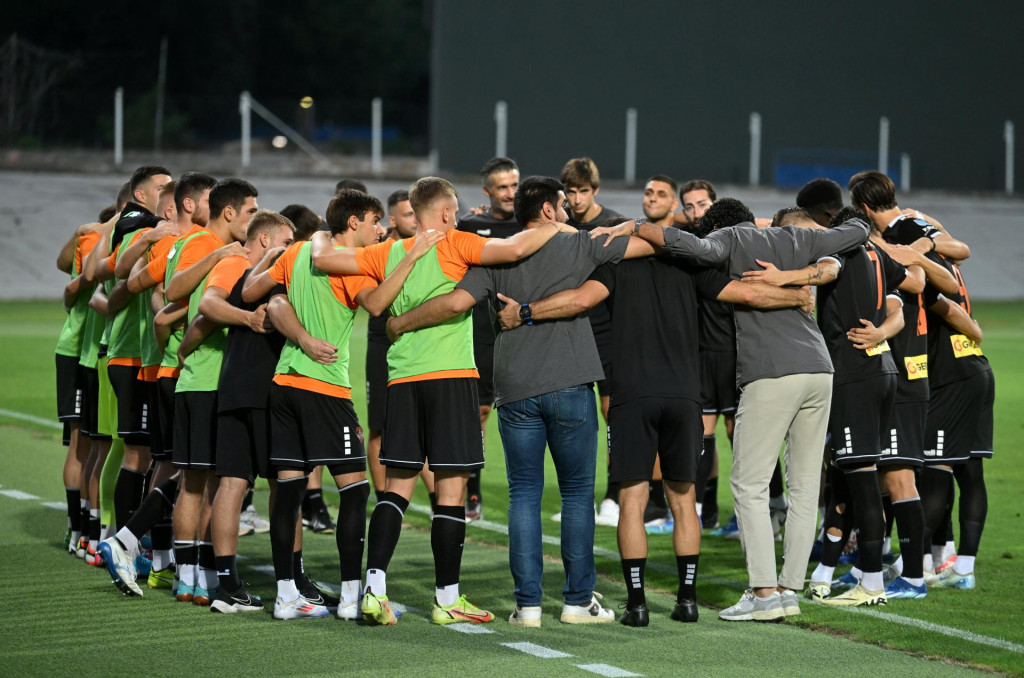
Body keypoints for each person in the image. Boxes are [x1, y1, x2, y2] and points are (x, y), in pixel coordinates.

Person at [489, 200, 815, 626]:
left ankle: (637, 605)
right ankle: (687, 601)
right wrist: (798, 296)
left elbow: (578, 300)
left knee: (632, 500)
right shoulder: (690, 264)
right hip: (684, 393)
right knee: (684, 500)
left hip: (631, 394)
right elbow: (749, 292)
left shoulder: (615, 263)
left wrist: (526, 312)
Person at [386, 176, 654, 626]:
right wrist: (627, 227)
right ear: (548, 210)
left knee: (524, 496)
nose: (567, 211)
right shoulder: (583, 245)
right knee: (575, 494)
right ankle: (577, 602)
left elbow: (454, 303)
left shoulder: (495, 254)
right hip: (570, 382)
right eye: (562, 205)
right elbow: (653, 245)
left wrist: (400, 324)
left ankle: (527, 605)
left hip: (513, 388)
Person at [592, 197, 870, 622]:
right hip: (814, 369)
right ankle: (783, 590)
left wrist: (632, 227)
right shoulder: (793, 237)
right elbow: (851, 238)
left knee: (742, 486)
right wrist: (798, 288)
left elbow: (721, 270)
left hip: (759, 373)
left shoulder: (720, 242)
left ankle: (757, 594)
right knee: (802, 485)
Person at [309, 176, 568, 626]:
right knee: (450, 493)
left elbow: (325, 256)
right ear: (447, 213)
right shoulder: (456, 242)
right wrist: (561, 226)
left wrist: (315, 232)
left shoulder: (387, 251)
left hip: (403, 380)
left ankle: (374, 590)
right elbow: (516, 249)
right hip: (451, 378)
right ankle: (447, 599)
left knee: (396, 489)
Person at [456, 157, 523, 521]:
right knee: (480, 413)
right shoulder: (470, 225)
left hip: (526, 331)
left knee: (524, 411)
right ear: (487, 192)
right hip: (481, 333)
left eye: (514, 185)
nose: (510, 193)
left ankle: (523, 491)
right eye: (502, 187)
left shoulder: (532, 223)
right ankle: (474, 491)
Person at [365, 190, 435, 508]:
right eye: (408, 215)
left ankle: (439, 502)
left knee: (424, 429)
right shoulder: (379, 251)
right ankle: (384, 502)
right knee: (379, 426)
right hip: (382, 343)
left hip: (421, 344)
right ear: (392, 220)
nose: (415, 220)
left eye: (416, 214)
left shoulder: (429, 247)